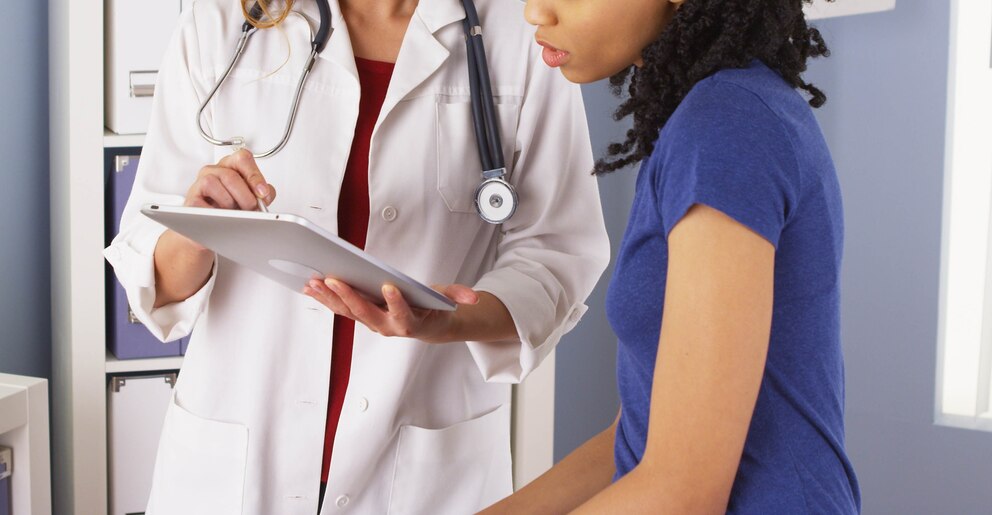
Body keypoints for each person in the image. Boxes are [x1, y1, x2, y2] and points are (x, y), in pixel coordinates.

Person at [104, 0, 609, 513]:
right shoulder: (221, 21)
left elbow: (557, 251)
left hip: (422, 470)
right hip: (235, 464)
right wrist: (200, 224)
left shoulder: (523, 29)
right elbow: (155, 278)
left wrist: (450, 322)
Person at [483, 0, 861, 513]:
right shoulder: (711, 117)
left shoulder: (726, 126)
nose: (536, 13)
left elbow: (682, 492)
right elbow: (634, 443)